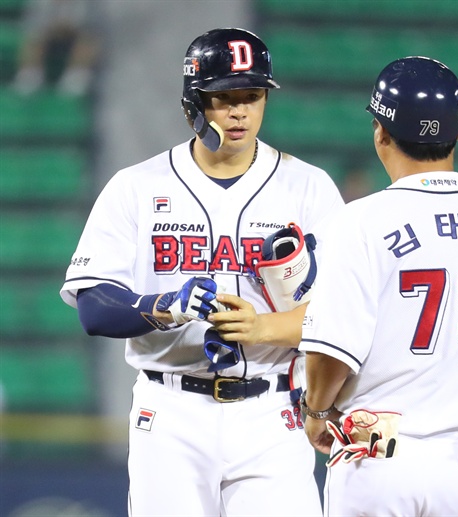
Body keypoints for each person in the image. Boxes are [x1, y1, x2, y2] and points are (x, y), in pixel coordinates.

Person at [60, 28, 344, 517]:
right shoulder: (137, 187)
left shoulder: (308, 187)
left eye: (252, 96)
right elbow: (93, 306)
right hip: (171, 411)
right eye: (223, 97)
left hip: (272, 410)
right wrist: (162, 307)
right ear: (193, 103)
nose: (239, 112)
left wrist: (267, 327)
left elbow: (343, 312)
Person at [299, 56, 458, 517]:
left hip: (379, 463)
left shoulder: (359, 221)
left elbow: (332, 349)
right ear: (457, 130)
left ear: (381, 132)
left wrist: (316, 413)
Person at [12, 0, 99, 96]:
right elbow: (33, 27)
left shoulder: (90, 5)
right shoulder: (41, 4)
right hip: (47, 33)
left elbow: (91, 29)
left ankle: (76, 78)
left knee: (89, 37)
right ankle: (29, 76)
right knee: (33, 37)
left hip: (78, 35)